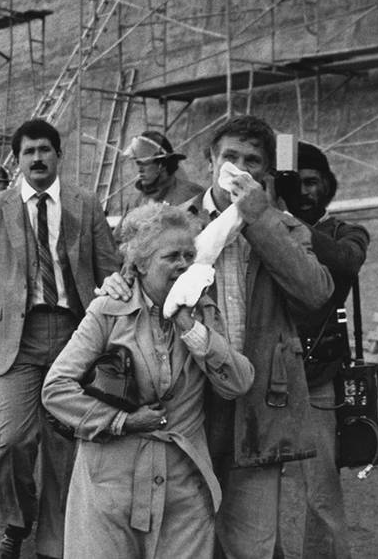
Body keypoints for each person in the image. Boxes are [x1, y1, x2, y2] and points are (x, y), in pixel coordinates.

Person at [100, 116, 333, 559]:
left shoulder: (283, 226)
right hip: (186, 403)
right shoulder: (172, 223)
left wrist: (259, 218)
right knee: (182, 541)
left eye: (252, 161)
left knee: (252, 545)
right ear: (210, 162)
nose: (238, 167)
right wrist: (116, 285)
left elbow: (315, 294)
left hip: (260, 403)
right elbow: (131, 284)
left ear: (264, 173)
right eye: (230, 156)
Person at [42, 203, 254, 558]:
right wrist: (122, 421)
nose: (184, 264)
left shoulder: (201, 310)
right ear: (139, 264)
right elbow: (57, 390)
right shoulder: (108, 309)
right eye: (171, 256)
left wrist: (191, 328)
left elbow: (237, 382)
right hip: (110, 484)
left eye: (190, 254)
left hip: (183, 487)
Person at [0, 118, 121, 559]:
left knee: (66, 446)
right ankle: (15, 523)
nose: (38, 158)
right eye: (28, 152)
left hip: (76, 337)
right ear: (19, 159)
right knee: (13, 441)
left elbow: (109, 271)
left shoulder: (86, 204)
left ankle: (54, 540)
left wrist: (121, 336)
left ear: (59, 156)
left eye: (45, 150)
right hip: (18, 340)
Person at [280, 142, 369, 559]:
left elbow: (347, 263)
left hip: (318, 379)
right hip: (263, 374)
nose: (306, 191)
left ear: (328, 186)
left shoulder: (343, 233)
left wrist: (295, 227)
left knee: (321, 494)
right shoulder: (265, 228)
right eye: (296, 183)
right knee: (252, 490)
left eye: (313, 182)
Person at [123, 130, 204, 209]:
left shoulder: (191, 196)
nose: (140, 170)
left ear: (162, 165)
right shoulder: (143, 198)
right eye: (138, 163)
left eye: (145, 163)